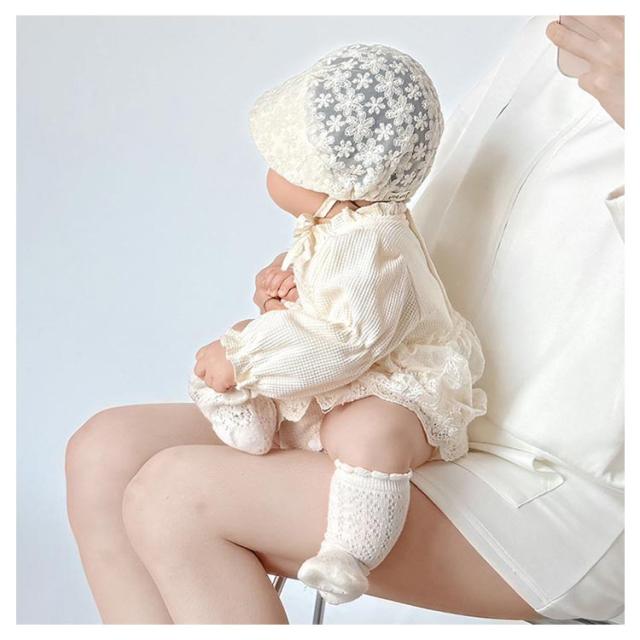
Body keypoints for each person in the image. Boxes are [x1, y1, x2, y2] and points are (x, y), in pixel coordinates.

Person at [65, 16, 624, 623]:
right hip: (402, 398)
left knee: (176, 497)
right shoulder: (558, 30)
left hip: (559, 486)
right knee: (105, 453)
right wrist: (313, 288)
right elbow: (399, 218)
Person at [188, 42, 488, 606]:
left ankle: (349, 553)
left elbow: (348, 339)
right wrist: (276, 300)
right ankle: (251, 419)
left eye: (283, 163)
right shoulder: (338, 226)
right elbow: (322, 306)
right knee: (252, 341)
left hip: (397, 383)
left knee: (367, 432)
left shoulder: (372, 243)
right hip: (346, 369)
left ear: (337, 183)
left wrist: (247, 359)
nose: (270, 172)